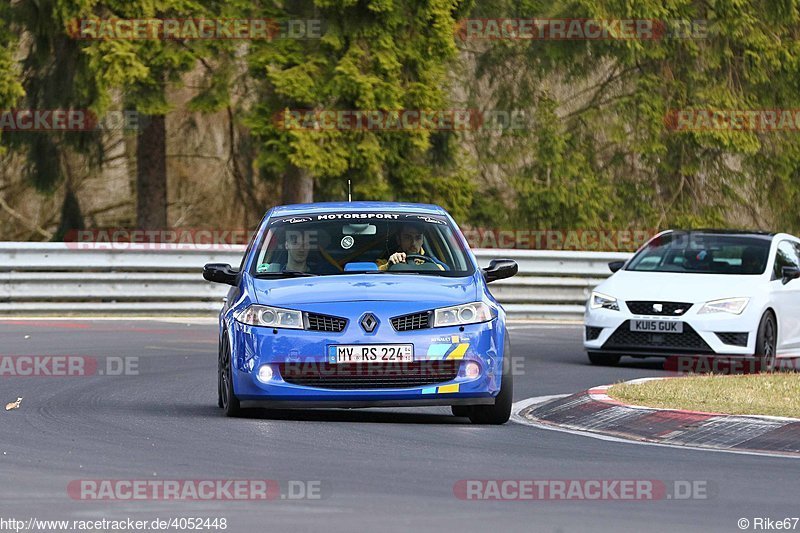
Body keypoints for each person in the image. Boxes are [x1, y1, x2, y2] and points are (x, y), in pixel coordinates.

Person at [376, 222, 444, 271]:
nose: (413, 243)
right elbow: (374, 275)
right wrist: (388, 265)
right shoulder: (384, 262)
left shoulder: (433, 262)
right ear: (398, 239)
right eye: (407, 237)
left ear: (422, 240)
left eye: (418, 237)